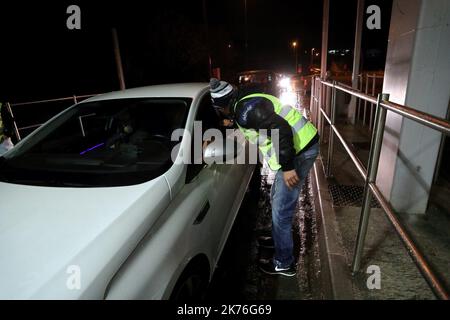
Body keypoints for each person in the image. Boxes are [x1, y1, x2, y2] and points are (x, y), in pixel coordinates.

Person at [209, 78, 319, 277]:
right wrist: (231, 123)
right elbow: (258, 123)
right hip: (299, 146)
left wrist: (287, 167)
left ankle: (284, 263)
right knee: (277, 199)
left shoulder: (246, 111)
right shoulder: (246, 102)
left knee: (281, 212)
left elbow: (281, 129)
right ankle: (279, 239)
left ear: (223, 105)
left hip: (299, 152)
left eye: (218, 109)